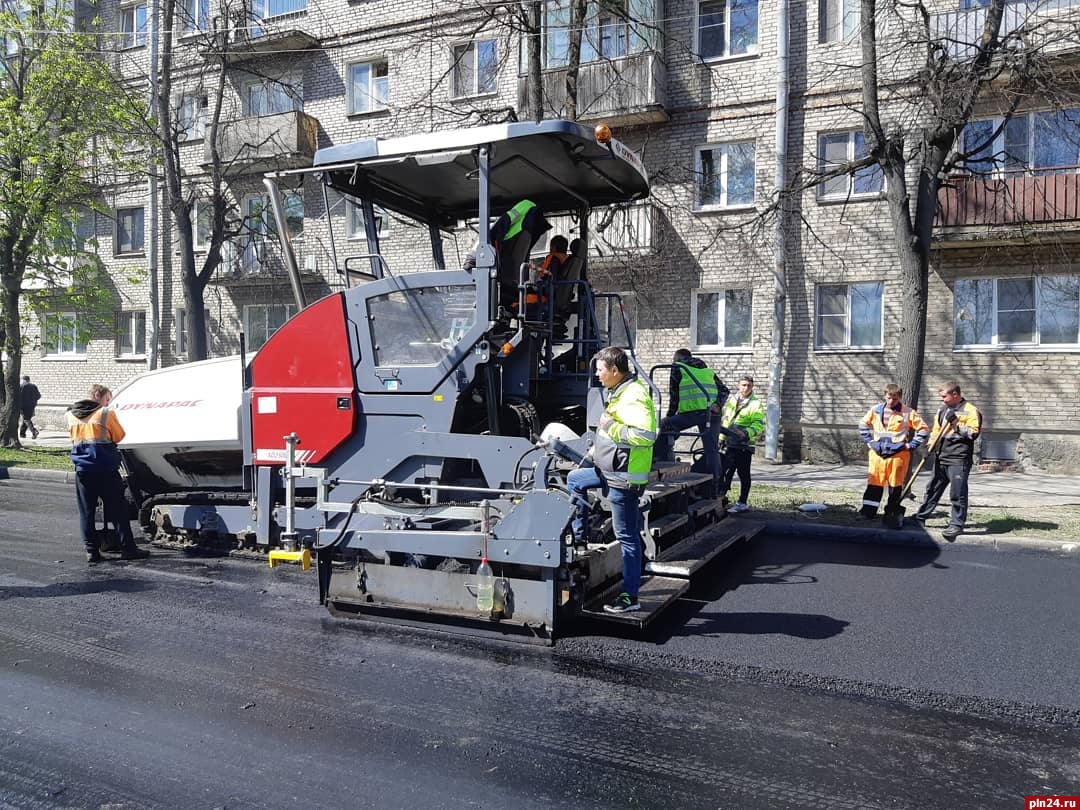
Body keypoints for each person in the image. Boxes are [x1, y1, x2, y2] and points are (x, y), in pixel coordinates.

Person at [566, 346, 657, 614]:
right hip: (607, 469)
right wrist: (596, 449)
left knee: (626, 538)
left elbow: (646, 436)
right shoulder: (619, 392)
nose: (597, 374)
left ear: (615, 371)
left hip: (622, 477)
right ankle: (580, 539)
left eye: (600, 369)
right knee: (574, 480)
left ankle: (630, 597)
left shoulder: (635, 396)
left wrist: (610, 427)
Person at [67, 384, 150, 563]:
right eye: (107, 399)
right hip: (105, 470)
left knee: (86, 512)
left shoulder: (70, 415)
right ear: (97, 395)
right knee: (118, 511)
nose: (108, 403)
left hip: (83, 471)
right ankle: (128, 548)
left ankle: (91, 551)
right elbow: (119, 436)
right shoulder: (105, 414)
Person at [654, 349, 729, 498]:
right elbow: (724, 390)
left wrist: (668, 417)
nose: (673, 361)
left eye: (674, 358)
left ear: (678, 358)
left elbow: (674, 396)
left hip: (692, 413)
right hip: (711, 414)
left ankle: (659, 461)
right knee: (712, 450)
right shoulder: (707, 370)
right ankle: (714, 487)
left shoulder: (678, 367)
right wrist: (718, 405)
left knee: (667, 427)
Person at [913, 381, 983, 540]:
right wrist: (930, 447)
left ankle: (956, 525)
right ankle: (921, 517)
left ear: (955, 394)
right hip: (941, 456)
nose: (942, 399)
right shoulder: (943, 409)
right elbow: (936, 431)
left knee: (957, 493)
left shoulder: (970, 410)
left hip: (958, 458)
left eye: (944, 396)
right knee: (932, 489)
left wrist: (956, 423)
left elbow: (973, 434)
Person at [857, 383, 930, 528]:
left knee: (895, 486)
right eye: (889, 398)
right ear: (885, 396)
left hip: (898, 455)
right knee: (874, 484)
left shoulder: (907, 412)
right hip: (877, 454)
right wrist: (869, 441)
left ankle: (890, 513)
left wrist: (911, 445)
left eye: (895, 399)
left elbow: (923, 429)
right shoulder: (876, 410)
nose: (891, 401)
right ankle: (868, 513)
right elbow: (863, 424)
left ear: (900, 397)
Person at [719, 375, 765, 513]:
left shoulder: (755, 403)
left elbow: (758, 424)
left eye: (749, 385)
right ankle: (720, 498)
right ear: (738, 386)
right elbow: (726, 420)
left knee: (743, 474)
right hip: (730, 443)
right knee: (726, 471)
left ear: (752, 387)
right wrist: (721, 438)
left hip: (744, 445)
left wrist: (745, 433)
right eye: (743, 385)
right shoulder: (733, 400)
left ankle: (742, 502)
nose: (746, 388)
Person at [19, 374, 41, 439]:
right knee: (26, 419)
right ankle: (22, 434)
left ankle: (34, 431)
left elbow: (18, 396)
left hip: (23, 406)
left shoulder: (21, 386)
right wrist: (33, 401)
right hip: (32, 406)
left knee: (26, 419)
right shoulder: (34, 386)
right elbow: (39, 396)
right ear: (29, 380)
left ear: (23, 380)